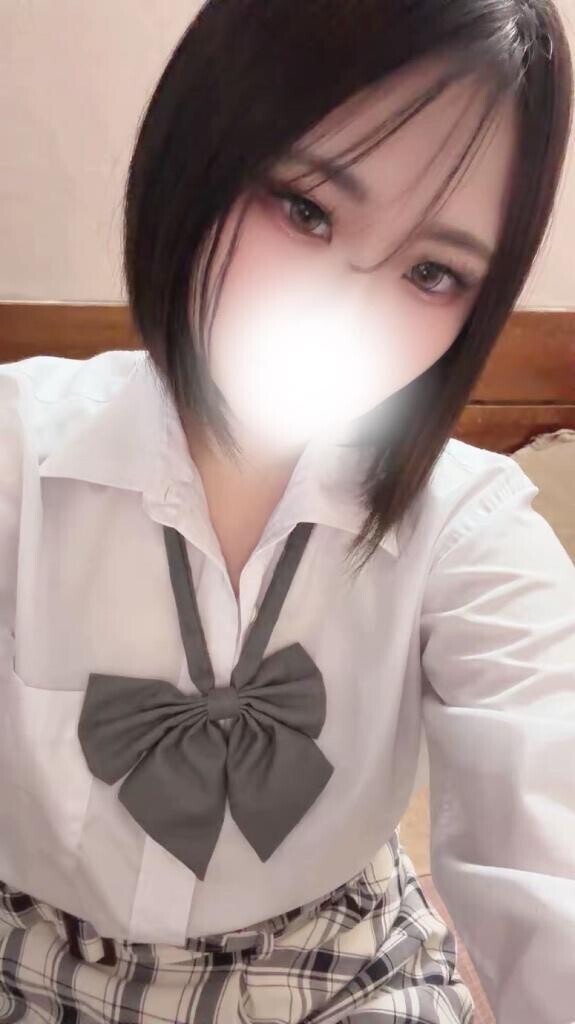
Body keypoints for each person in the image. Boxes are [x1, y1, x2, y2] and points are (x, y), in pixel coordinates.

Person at [0, 1, 574, 1021]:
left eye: (431, 272)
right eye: (305, 209)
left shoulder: (468, 531)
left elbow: (552, 826)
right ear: (197, 153)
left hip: (335, 960)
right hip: (26, 945)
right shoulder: (16, 448)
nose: (341, 309)